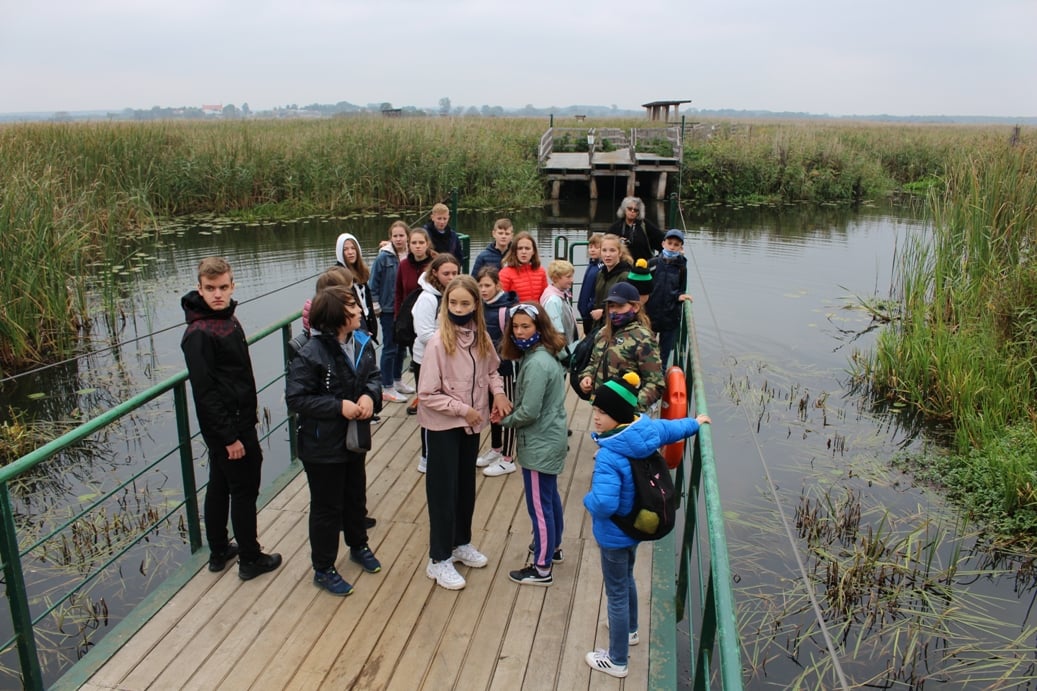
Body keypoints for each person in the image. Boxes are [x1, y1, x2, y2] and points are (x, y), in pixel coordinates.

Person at [583, 371, 710, 678]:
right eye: (595, 410)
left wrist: (587, 500)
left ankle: (617, 660)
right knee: (626, 578)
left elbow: (604, 503)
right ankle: (630, 630)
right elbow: (670, 429)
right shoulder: (644, 429)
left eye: (602, 412)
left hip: (614, 535)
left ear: (618, 415)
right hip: (635, 528)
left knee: (616, 592)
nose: (596, 417)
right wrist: (695, 423)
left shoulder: (609, 455)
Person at [180, 257, 282, 581]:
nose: (218, 294)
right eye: (210, 288)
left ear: (232, 286)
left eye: (223, 287)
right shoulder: (199, 333)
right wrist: (229, 437)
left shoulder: (226, 319)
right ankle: (250, 558)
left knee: (220, 484)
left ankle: (219, 550)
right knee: (244, 489)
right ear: (199, 288)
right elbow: (205, 393)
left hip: (234, 421)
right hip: (230, 426)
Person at [286, 286, 383, 596]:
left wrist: (369, 396)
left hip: (354, 439)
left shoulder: (362, 341)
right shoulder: (310, 353)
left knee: (355, 497)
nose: (359, 310)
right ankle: (324, 567)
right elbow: (296, 398)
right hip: (322, 446)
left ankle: (358, 545)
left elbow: (373, 377)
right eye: (352, 306)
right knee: (327, 507)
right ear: (336, 316)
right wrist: (338, 406)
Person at [418, 275, 512, 590]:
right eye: (453, 303)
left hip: (472, 425)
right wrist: (463, 410)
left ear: (475, 305)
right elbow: (427, 394)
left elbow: (492, 370)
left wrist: (498, 394)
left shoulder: (481, 338)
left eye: (465, 303)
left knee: (464, 487)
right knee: (442, 491)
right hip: (444, 426)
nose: (458, 309)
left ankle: (460, 543)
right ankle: (438, 559)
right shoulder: (437, 343)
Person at [499, 303, 569, 586]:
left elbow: (529, 411)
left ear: (539, 327)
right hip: (550, 437)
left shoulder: (537, 363)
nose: (519, 332)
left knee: (539, 507)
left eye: (525, 326)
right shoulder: (544, 354)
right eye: (515, 327)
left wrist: (504, 420)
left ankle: (542, 568)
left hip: (540, 443)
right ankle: (554, 547)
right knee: (550, 498)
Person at [412, 253, 462, 472]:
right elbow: (424, 333)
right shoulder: (428, 298)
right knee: (429, 408)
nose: (451, 277)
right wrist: (452, 343)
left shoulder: (451, 294)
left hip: (448, 359)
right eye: (446, 273)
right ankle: (426, 457)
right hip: (426, 359)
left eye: (455, 273)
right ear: (434, 273)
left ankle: (443, 452)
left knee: (446, 404)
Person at [579, 282, 664, 410]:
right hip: (601, 407)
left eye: (620, 306)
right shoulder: (603, 333)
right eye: (611, 306)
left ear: (635, 307)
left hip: (626, 412)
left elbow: (655, 383)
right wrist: (587, 376)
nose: (614, 311)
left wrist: (632, 406)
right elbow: (593, 362)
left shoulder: (643, 338)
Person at [475, 267, 519, 477]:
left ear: (498, 285)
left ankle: (508, 458)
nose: (483, 290)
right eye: (480, 285)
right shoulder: (480, 307)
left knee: (505, 410)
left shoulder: (506, 311)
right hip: (486, 368)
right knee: (492, 409)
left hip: (505, 368)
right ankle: (496, 448)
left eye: (487, 285)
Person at [369, 220, 411, 403]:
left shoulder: (411, 256)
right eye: (395, 236)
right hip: (388, 309)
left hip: (406, 309)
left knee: (402, 346)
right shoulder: (383, 258)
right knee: (390, 347)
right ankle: (387, 386)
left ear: (407, 236)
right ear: (390, 237)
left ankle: (397, 380)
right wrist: (376, 306)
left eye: (401, 235)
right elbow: (373, 284)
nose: (398, 239)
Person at [646, 229, 692, 366]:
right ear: (663, 244)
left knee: (664, 354)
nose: (672, 247)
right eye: (669, 243)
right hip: (650, 314)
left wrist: (680, 296)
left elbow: (681, 288)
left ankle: (662, 374)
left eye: (676, 245)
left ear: (681, 248)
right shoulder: (652, 264)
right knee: (646, 350)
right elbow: (644, 287)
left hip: (670, 316)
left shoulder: (682, 268)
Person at [335, 233, 378, 341]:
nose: (350, 252)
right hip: (353, 331)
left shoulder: (361, 271)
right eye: (345, 249)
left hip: (366, 325)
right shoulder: (338, 276)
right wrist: (360, 330)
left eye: (353, 248)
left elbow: (367, 301)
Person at [588, 234, 633, 332]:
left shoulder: (625, 276)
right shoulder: (600, 274)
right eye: (604, 250)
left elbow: (627, 305)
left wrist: (603, 312)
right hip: (600, 325)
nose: (607, 255)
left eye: (612, 250)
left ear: (619, 253)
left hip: (617, 326)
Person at [607, 196, 664, 264]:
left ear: (638, 212)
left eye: (636, 210)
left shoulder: (645, 226)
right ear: (624, 209)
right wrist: (618, 242)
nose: (632, 211)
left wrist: (656, 261)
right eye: (629, 208)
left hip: (643, 266)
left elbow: (663, 242)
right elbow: (605, 244)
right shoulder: (615, 227)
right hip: (621, 266)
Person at [540, 259, 580, 356]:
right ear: (556, 278)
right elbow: (556, 331)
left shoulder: (561, 294)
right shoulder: (553, 301)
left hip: (569, 347)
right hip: (563, 352)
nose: (572, 280)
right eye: (568, 277)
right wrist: (564, 355)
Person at [499, 231, 548, 303]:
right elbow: (500, 301)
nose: (523, 252)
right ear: (515, 251)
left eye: (527, 248)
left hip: (537, 309)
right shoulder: (505, 274)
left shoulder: (541, 271)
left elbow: (545, 298)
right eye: (520, 248)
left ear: (533, 251)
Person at [577, 232, 604, 332]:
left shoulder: (601, 268)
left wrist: (590, 306)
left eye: (596, 247)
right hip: (585, 310)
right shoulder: (591, 265)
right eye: (590, 247)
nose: (592, 250)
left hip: (591, 311)